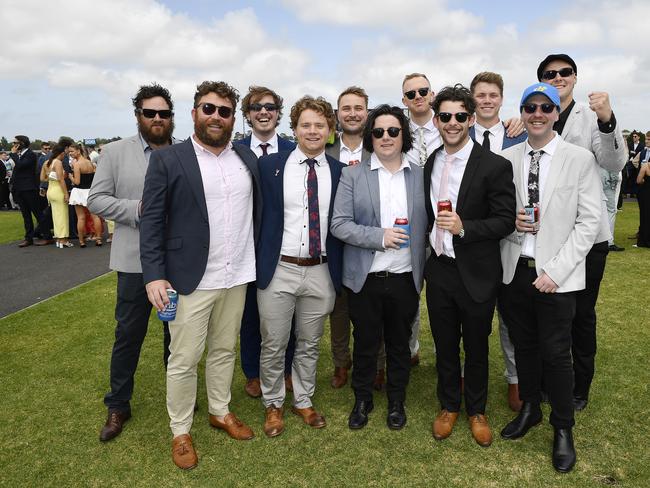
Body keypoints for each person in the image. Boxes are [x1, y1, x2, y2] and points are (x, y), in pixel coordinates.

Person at [141, 81, 261, 470]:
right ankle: (180, 430)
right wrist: (155, 275)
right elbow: (152, 221)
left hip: (237, 273)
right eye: (208, 109)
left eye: (224, 111)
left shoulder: (246, 159)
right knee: (184, 358)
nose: (216, 117)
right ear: (194, 112)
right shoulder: (167, 160)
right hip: (188, 279)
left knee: (225, 349)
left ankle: (220, 410)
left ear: (232, 118)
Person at [499, 82, 602, 473]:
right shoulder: (507, 160)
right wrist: (512, 223)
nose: (538, 113)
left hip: (558, 278)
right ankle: (530, 408)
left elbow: (589, 221)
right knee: (524, 347)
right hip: (514, 272)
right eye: (530, 107)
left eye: (546, 107)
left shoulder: (578, 159)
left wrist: (555, 272)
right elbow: (498, 216)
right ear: (522, 113)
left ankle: (563, 427)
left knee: (557, 355)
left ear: (557, 113)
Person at [424, 84, 516, 447]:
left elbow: (506, 219)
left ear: (471, 119)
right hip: (440, 270)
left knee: (477, 345)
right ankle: (448, 405)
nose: (452, 123)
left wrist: (466, 228)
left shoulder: (494, 165)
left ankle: (476, 410)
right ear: (436, 120)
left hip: (477, 271)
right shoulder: (431, 161)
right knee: (445, 345)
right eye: (445, 116)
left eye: (460, 116)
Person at [536, 53, 627, 410]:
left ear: (575, 76)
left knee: (581, 315)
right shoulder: (535, 114)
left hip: (589, 238)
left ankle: (579, 386)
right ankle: (548, 379)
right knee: (549, 314)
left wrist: (607, 121)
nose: (558, 77)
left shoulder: (591, 118)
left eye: (565, 72)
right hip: (547, 237)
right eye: (549, 73)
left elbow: (614, 163)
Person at [330, 104, 427, 430]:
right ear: (371, 137)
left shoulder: (419, 175)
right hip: (365, 277)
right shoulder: (352, 174)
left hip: (404, 276)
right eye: (379, 132)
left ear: (404, 135)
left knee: (400, 343)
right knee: (366, 341)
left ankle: (397, 401)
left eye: (393, 131)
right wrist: (379, 236)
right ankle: (362, 399)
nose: (386, 137)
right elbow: (339, 225)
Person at [88, 83, 175, 443]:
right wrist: (139, 210)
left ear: (172, 118)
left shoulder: (185, 152)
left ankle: (179, 398)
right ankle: (118, 404)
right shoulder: (115, 152)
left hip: (178, 262)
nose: (157, 119)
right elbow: (97, 199)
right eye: (150, 113)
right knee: (128, 336)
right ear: (138, 115)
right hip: (134, 261)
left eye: (164, 113)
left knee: (178, 337)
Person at [256, 96, 344, 438]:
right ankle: (273, 404)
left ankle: (303, 399)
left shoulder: (340, 172)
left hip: (321, 270)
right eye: (306, 125)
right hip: (279, 269)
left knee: (310, 341)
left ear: (330, 130)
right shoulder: (269, 167)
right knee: (274, 342)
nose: (312, 131)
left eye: (320, 125)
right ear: (294, 128)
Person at [469, 71, 528, 412]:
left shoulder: (517, 136)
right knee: (471, 318)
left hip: (509, 241)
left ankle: (515, 379)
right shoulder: (460, 134)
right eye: (481, 95)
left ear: (501, 99)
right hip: (472, 241)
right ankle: (467, 375)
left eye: (493, 95)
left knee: (509, 319)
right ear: (473, 99)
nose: (487, 100)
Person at [234, 85, 296, 399]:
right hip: (245, 243)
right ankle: (253, 372)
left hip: (284, 242)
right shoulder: (234, 150)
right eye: (256, 107)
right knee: (249, 314)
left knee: (287, 312)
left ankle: (285, 369)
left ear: (277, 114)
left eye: (270, 107)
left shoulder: (292, 149)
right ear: (247, 114)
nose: (263, 112)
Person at [325, 86, 386, 390]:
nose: (352, 113)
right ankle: (340, 363)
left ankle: (377, 365)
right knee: (339, 307)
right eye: (346, 108)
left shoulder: (378, 146)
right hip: (333, 240)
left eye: (358, 108)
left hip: (371, 238)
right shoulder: (325, 147)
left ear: (367, 112)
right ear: (337, 114)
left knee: (372, 307)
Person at [9, 135, 53, 247]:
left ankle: (48, 236)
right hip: (19, 189)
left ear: (22, 143)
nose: (13, 145)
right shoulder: (19, 155)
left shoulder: (31, 155)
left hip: (29, 189)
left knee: (38, 214)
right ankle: (28, 238)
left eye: (16, 143)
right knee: (26, 215)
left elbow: (21, 166)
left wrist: (13, 154)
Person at [69, 143, 103, 247]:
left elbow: (77, 182)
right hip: (90, 191)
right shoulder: (90, 162)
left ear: (78, 151)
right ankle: (98, 239)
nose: (70, 153)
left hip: (80, 192)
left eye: (72, 151)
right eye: (69, 151)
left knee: (81, 217)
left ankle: (81, 241)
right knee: (95, 217)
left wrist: (70, 177)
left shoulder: (77, 164)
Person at [39, 144, 71, 248]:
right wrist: (66, 193)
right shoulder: (58, 162)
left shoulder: (46, 163)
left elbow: (42, 178)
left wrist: (51, 177)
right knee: (62, 215)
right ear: (61, 153)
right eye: (64, 154)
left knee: (55, 216)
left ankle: (58, 238)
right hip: (58, 190)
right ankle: (63, 240)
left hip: (50, 190)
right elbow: (61, 180)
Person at [635, 134, 650, 248]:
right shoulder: (643, 152)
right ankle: (642, 235)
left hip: (646, 184)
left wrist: (644, 172)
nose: (647, 141)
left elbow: (643, 170)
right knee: (643, 214)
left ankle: (645, 240)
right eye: (646, 139)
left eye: (649, 139)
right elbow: (638, 166)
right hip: (643, 189)